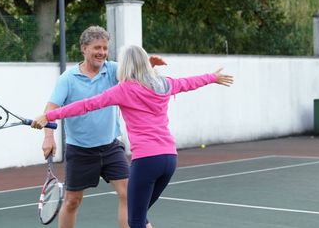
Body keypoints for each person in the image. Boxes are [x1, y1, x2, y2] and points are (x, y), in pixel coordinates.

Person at [32, 45, 234, 228]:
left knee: (135, 220)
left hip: (146, 160)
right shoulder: (164, 84)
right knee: (140, 216)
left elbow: (85, 105)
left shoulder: (123, 90)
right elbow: (189, 82)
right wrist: (212, 77)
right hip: (169, 159)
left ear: (125, 66)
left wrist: (49, 116)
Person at [41, 26, 164, 228]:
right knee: (72, 201)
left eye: (105, 48)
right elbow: (51, 109)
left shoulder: (114, 70)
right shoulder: (68, 79)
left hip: (110, 147)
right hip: (79, 150)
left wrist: (148, 64)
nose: (102, 53)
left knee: (128, 194)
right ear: (84, 49)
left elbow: (136, 74)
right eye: (97, 47)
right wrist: (48, 137)